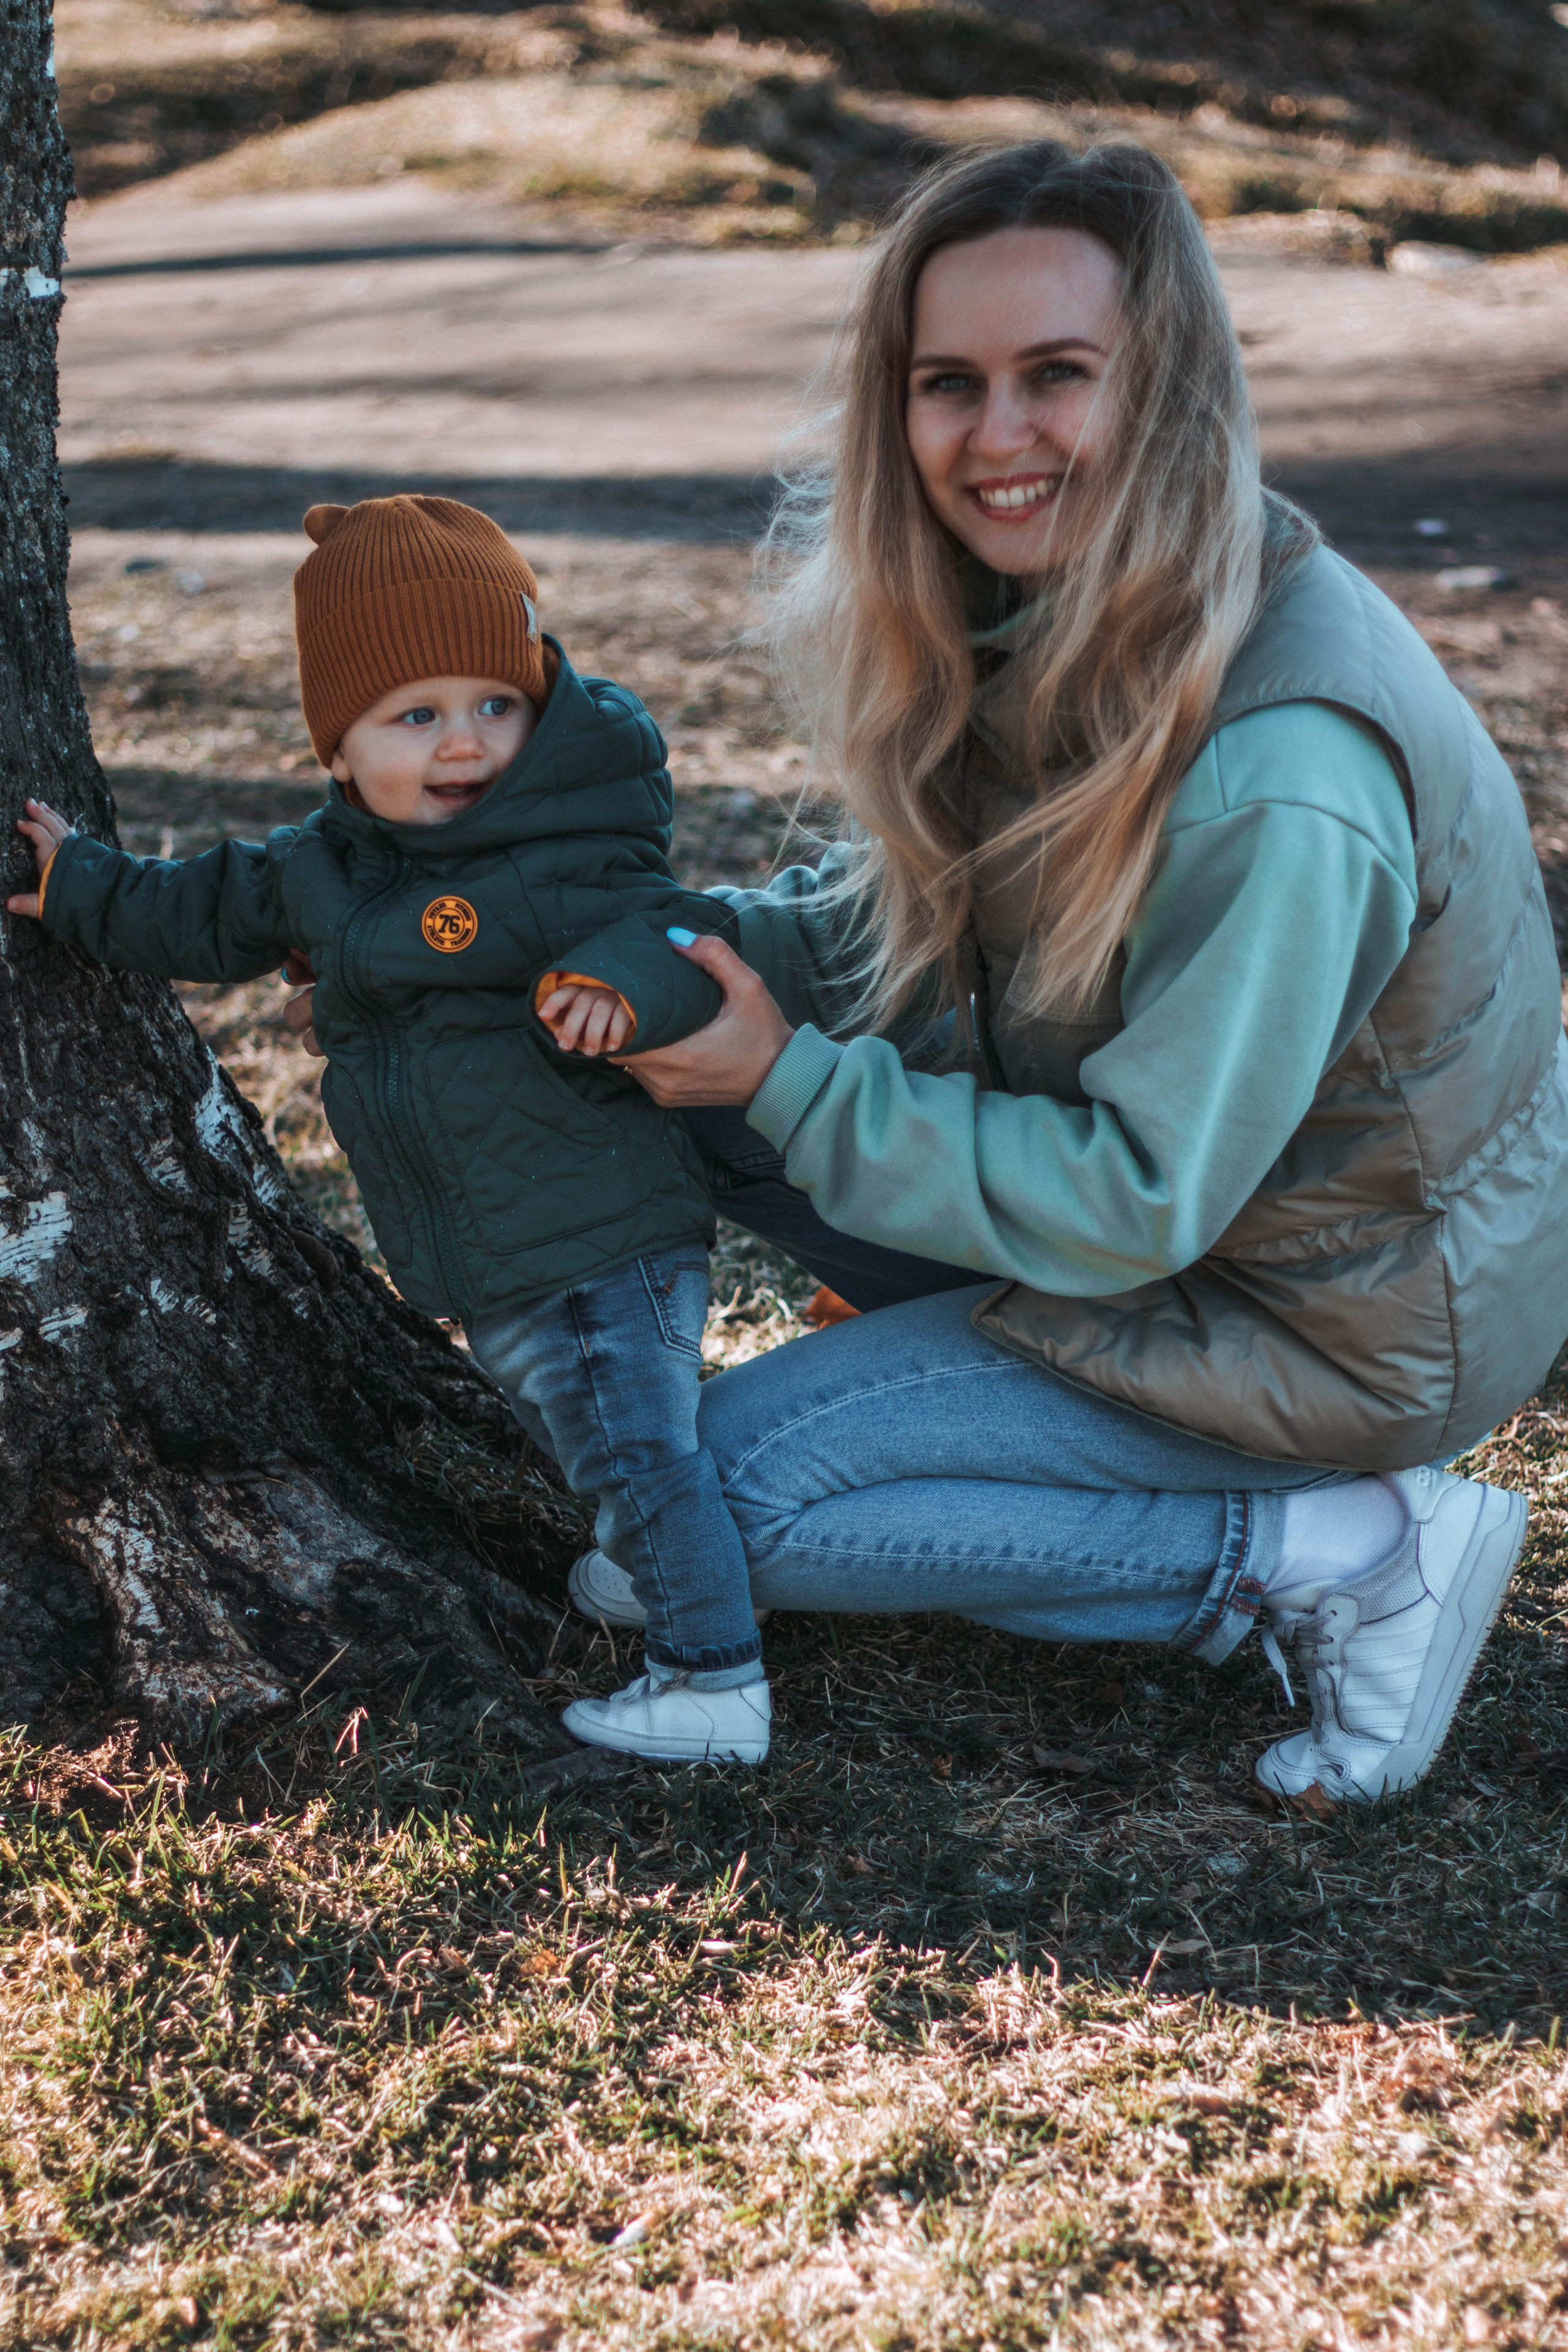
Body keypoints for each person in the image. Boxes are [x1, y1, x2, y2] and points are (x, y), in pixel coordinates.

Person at [541, 138, 1567, 1809]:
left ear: (1163, 387)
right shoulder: (1059, 612)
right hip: (1207, 1234)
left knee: (716, 1513)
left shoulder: (1277, 770)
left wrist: (788, 1083)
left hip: (1318, 1325)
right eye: (950, 383)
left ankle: (1336, 1547)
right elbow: (870, 928)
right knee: (693, 1108)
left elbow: (1139, 1199)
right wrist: (604, 962)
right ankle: (956, 1393)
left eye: (1057, 378)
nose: (995, 436)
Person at [7, 493, 772, 1766]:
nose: (464, 743)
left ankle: (713, 1681)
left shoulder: (567, 839)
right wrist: (81, 885)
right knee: (580, 1436)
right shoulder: (330, 865)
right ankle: (653, 1570)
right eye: (415, 716)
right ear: (342, 748)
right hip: (492, 1248)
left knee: (638, 1442)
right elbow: (204, 910)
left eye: (494, 704)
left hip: (603, 1227)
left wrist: (623, 987)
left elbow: (679, 931)